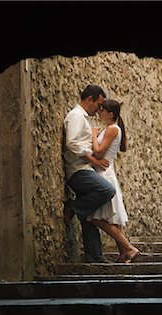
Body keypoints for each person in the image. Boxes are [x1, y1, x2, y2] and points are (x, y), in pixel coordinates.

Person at [63, 84, 116, 263]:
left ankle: (94, 256)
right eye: (99, 104)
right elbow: (72, 143)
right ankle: (73, 207)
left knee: (89, 215)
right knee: (107, 190)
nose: (100, 108)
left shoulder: (83, 118)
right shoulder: (76, 116)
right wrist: (93, 160)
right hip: (78, 171)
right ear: (89, 99)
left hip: (85, 169)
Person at [87, 99, 140, 263]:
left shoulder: (112, 129)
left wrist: (94, 135)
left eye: (102, 110)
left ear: (110, 114)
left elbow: (98, 152)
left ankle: (130, 248)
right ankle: (124, 253)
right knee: (112, 219)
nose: (99, 112)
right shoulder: (111, 128)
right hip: (105, 173)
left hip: (104, 175)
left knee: (96, 217)